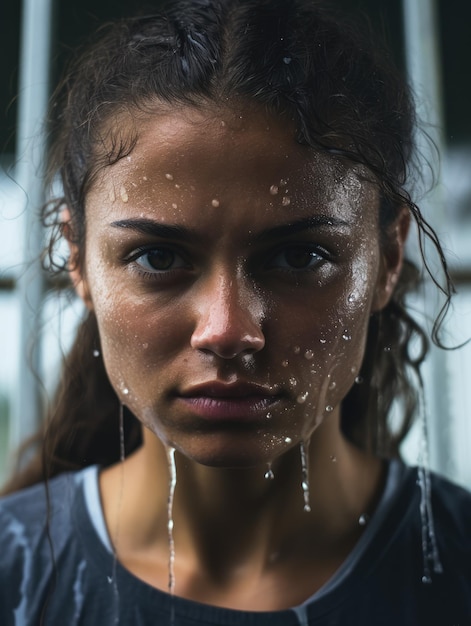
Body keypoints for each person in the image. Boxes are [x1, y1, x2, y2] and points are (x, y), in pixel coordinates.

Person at [1, 0, 470, 624]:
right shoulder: (14, 577)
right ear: (78, 260)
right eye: (159, 258)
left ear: (387, 259)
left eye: (300, 257)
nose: (227, 329)